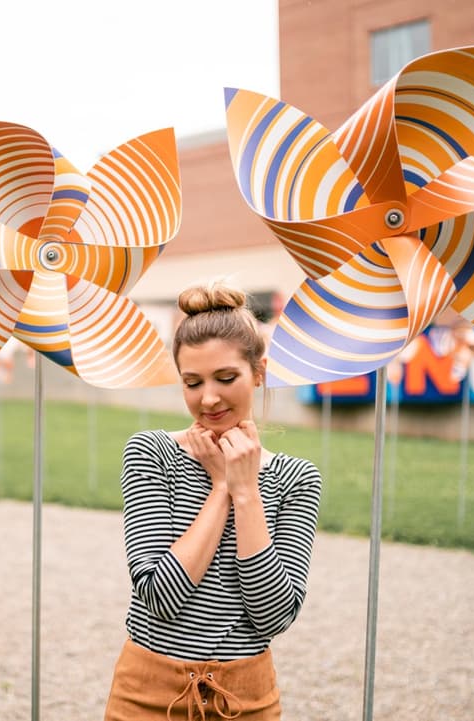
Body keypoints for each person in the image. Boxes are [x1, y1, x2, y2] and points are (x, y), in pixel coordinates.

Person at [104, 282, 323, 720]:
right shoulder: (151, 453)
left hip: (246, 699)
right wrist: (221, 488)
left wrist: (246, 491)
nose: (208, 398)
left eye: (226, 378)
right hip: (148, 694)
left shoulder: (296, 479)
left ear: (258, 372)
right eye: (192, 382)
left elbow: (273, 616)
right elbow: (159, 597)